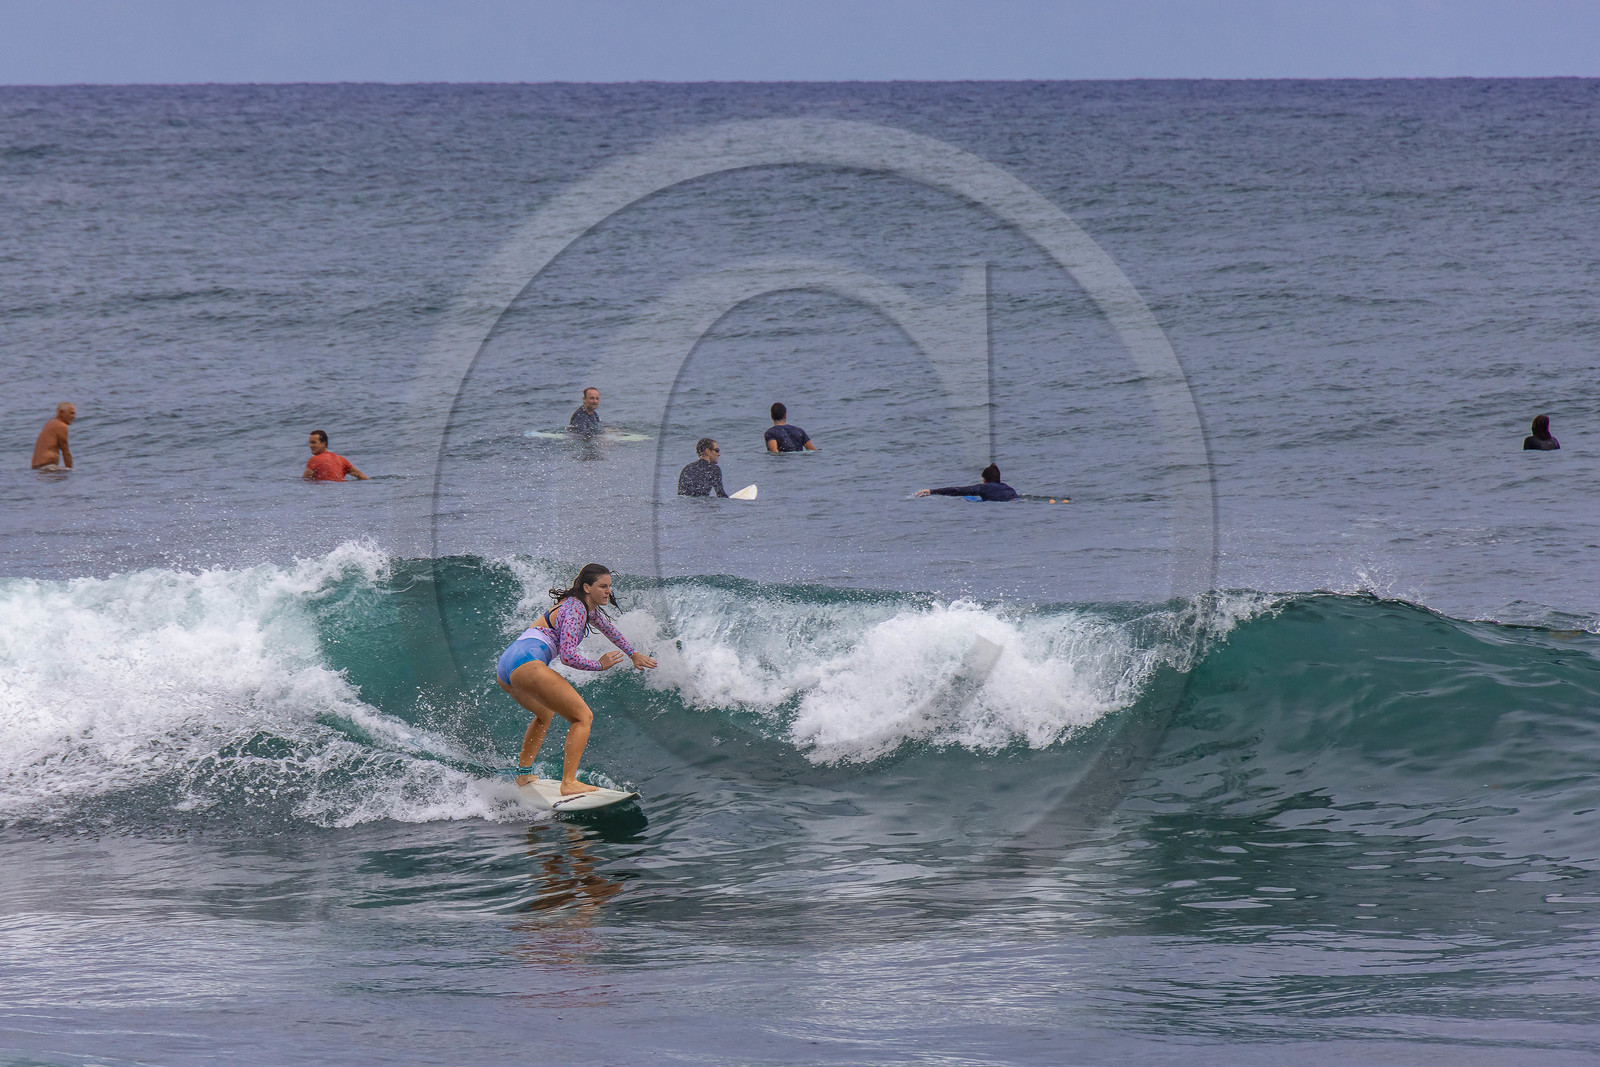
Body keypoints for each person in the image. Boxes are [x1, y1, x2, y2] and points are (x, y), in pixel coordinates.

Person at [495, 564, 656, 795]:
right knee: (583, 717)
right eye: (603, 586)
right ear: (587, 587)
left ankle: (523, 774)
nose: (608, 591)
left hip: (508, 663)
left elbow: (609, 630)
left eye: (610, 586)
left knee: (544, 714)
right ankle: (569, 783)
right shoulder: (576, 610)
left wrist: (633, 654)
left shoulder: (580, 607)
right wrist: (600, 665)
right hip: (528, 661)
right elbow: (569, 657)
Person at [916, 463, 1018, 502]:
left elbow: (957, 490)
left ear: (985, 480)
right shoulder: (1009, 488)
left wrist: (931, 491)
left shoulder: (984, 488)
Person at [302, 430, 368, 481]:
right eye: (310, 443)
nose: (311, 446)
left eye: (314, 443)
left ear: (324, 444)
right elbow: (363, 477)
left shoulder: (314, 459)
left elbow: (305, 480)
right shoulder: (341, 459)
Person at [31, 402, 76, 470]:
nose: (74, 416)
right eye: (71, 413)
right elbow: (65, 451)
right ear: (61, 413)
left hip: (36, 468)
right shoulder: (61, 425)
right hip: (47, 467)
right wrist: (70, 470)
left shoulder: (50, 422)